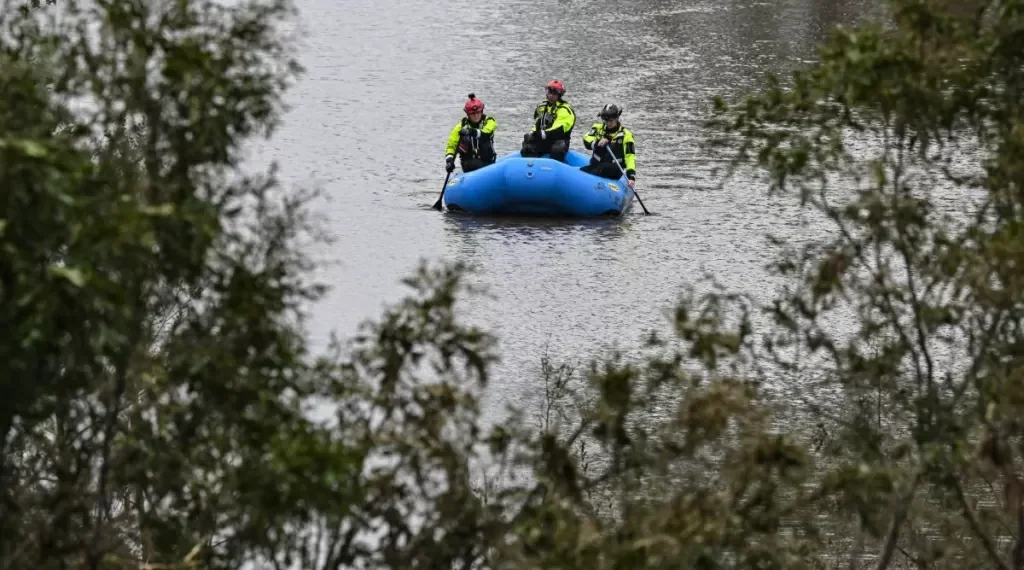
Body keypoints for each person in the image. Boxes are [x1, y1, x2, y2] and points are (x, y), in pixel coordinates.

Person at [581, 103, 636, 189]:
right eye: (606, 121)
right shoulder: (597, 128)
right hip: (595, 165)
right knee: (584, 171)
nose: (608, 124)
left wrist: (631, 176)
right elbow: (586, 138)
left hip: (614, 169)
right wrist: (597, 143)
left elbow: (630, 157)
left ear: (616, 118)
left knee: (602, 168)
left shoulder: (626, 135)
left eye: (611, 121)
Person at [520, 80, 575, 162]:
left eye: (554, 93)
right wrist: (531, 133)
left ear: (559, 95)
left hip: (558, 140)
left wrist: (539, 135)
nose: (551, 95)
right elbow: (538, 123)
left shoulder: (564, 110)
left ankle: (557, 169)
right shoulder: (543, 107)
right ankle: (530, 168)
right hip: (543, 140)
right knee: (527, 146)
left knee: (557, 148)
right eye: (550, 92)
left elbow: (558, 130)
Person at [445, 93, 497, 174]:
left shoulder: (490, 122)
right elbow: (451, 146)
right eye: (473, 113)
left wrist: (472, 132)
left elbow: (486, 133)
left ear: (482, 111)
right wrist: (449, 160)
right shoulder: (460, 127)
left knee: (479, 162)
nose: (476, 116)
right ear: (468, 114)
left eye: (478, 112)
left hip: (488, 163)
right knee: (474, 164)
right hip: (469, 165)